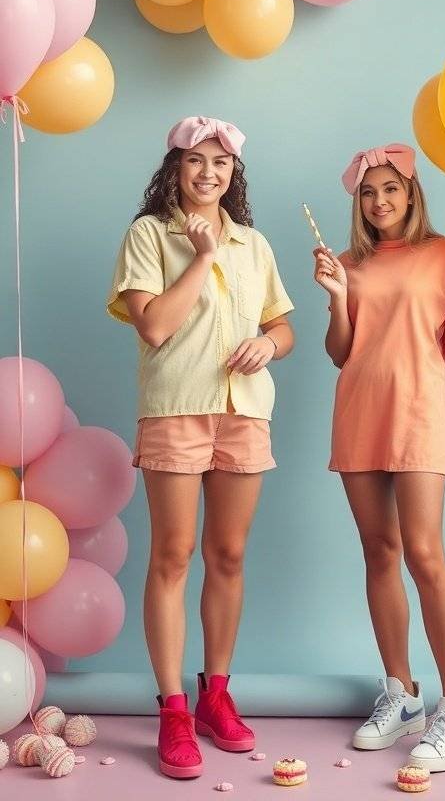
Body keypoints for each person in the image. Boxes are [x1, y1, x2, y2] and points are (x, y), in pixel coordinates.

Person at [107, 115, 294, 779]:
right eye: (195, 162)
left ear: (232, 174)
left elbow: (282, 324)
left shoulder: (255, 243)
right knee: (173, 554)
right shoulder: (148, 235)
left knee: (230, 553)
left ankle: (217, 693)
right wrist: (205, 255)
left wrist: (270, 344)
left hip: (245, 412)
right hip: (176, 410)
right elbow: (155, 326)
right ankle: (174, 710)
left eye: (220, 164)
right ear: (175, 171)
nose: (208, 173)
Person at [313, 143, 445, 773]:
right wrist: (338, 296)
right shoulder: (348, 261)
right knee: (380, 553)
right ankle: (402, 694)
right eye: (368, 192)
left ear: (411, 192)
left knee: (425, 554)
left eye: (391, 189)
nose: (379, 202)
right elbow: (341, 352)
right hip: (359, 415)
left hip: (419, 416)